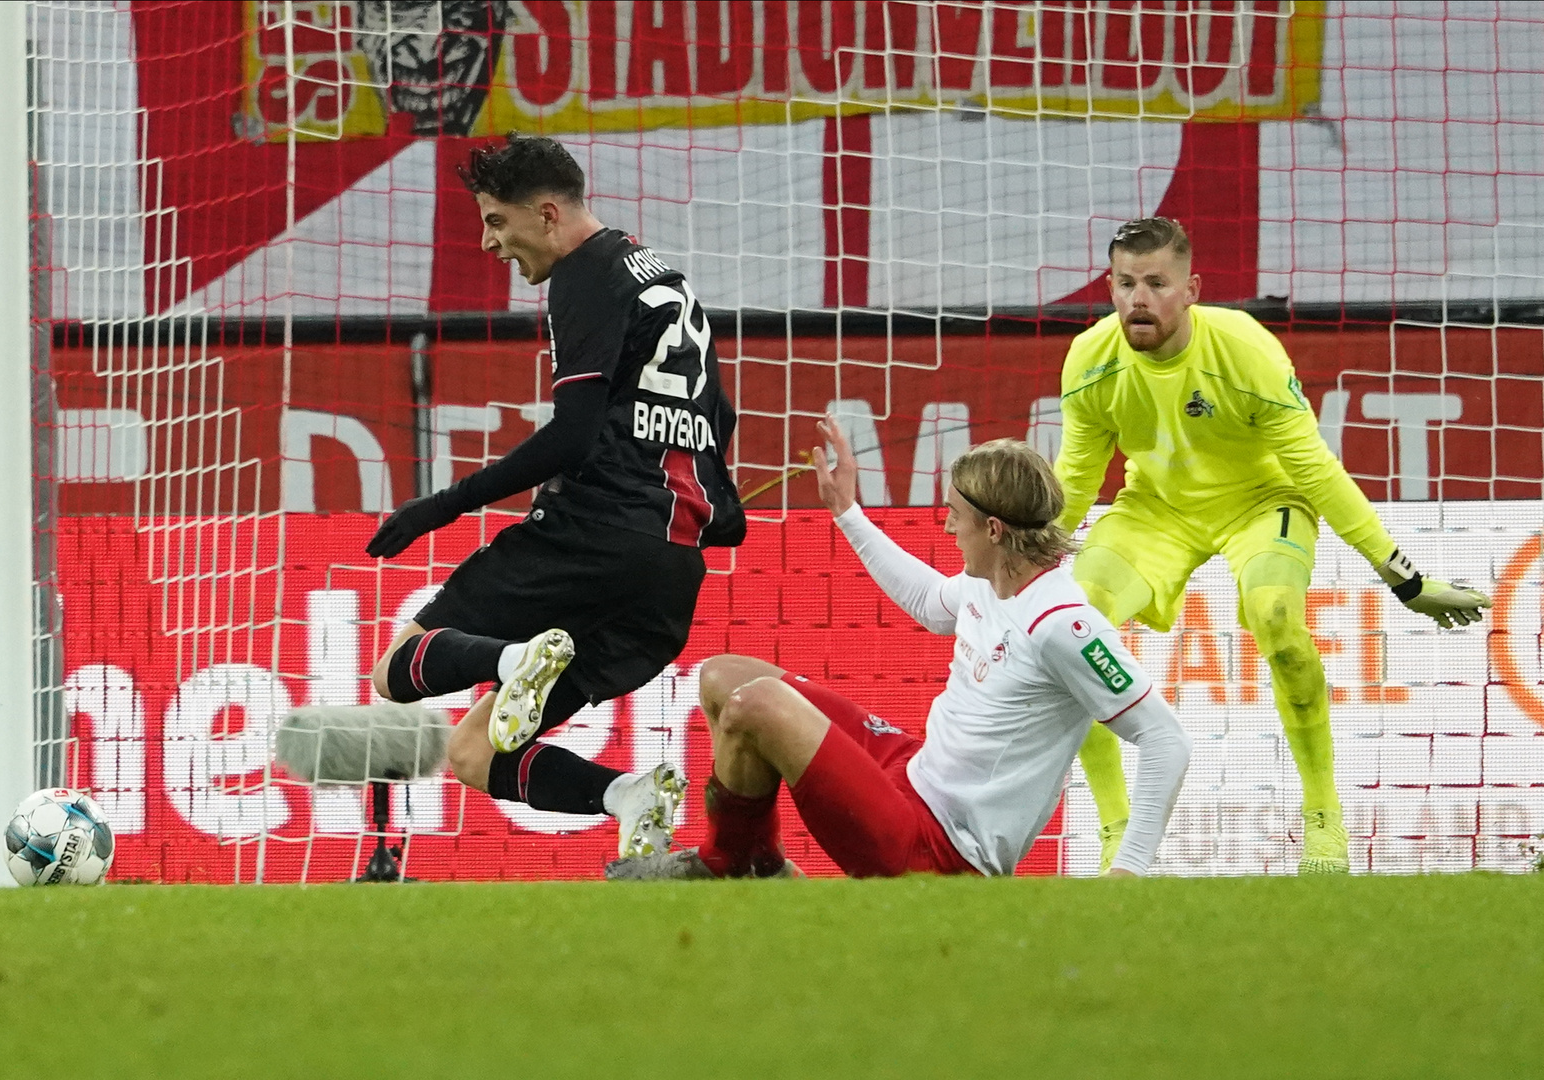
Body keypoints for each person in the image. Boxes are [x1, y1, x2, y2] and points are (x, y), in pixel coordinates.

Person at [1056, 217, 1492, 875]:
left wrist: (1404, 578)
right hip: (1154, 512)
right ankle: (1118, 835)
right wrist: (1013, 582)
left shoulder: (1245, 350)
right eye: (1123, 283)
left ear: (1190, 289)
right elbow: (1074, 484)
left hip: (1263, 503)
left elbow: (1314, 469)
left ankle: (1322, 818)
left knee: (1277, 620)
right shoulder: (1091, 362)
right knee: (1073, 631)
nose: (1136, 299)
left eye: (1154, 283)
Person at [364, 133, 746, 858]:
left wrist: (443, 504)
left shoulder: (585, 275)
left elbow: (572, 438)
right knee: (475, 754)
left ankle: (513, 660)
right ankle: (626, 795)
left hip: (589, 534)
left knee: (394, 670)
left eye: (496, 222)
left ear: (545, 213)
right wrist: (718, 507)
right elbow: (713, 421)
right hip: (666, 575)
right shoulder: (664, 276)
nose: (487, 243)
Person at [606, 420, 1190, 880]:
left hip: (940, 847)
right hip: (911, 774)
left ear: (992, 529)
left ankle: (723, 863)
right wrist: (848, 513)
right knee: (723, 676)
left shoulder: (1063, 623)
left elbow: (1165, 740)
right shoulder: (995, 581)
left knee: (755, 705)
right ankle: (759, 864)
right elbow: (931, 601)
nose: (944, 528)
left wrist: (1129, 870)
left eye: (954, 517)